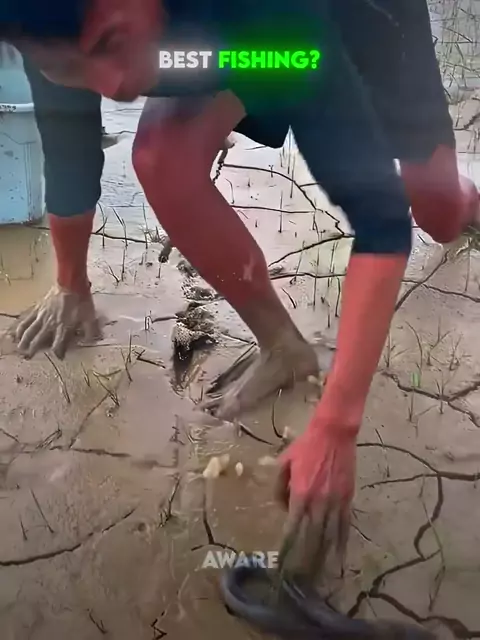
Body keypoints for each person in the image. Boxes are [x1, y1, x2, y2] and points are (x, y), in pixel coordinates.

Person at [0, 0, 477, 554]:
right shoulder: (53, 20)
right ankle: (283, 347)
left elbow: (382, 221)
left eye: (111, 44)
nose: (114, 88)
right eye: (71, 65)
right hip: (223, 42)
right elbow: (68, 145)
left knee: (437, 212)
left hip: (353, 17)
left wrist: (336, 426)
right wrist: (70, 283)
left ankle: (466, 200)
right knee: (160, 155)